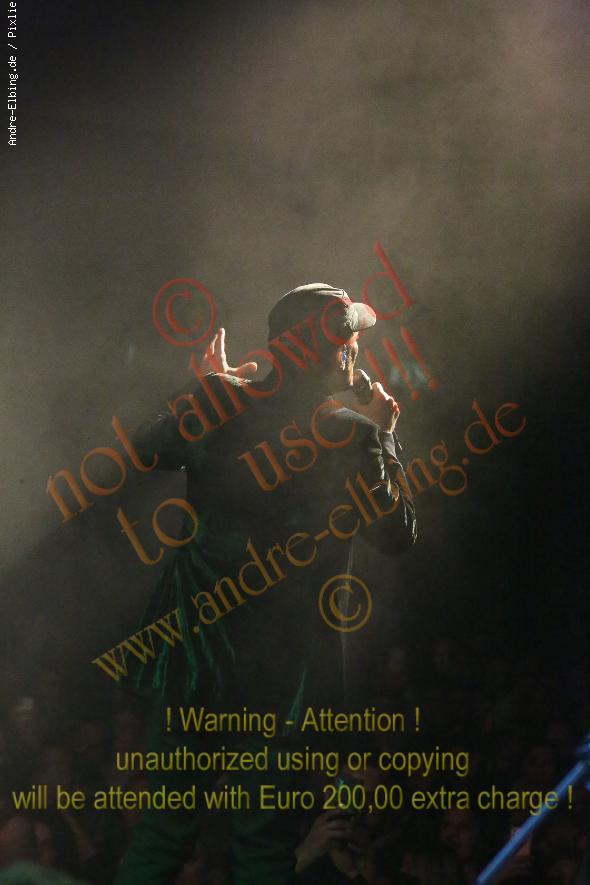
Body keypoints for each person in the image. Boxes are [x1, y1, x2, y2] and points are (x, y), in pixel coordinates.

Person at [114, 284, 418, 885]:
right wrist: (386, 435)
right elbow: (396, 534)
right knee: (263, 843)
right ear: (332, 349)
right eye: (351, 339)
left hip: (195, 658)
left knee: (162, 833)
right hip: (279, 677)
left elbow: (141, 449)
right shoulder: (351, 434)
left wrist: (212, 387)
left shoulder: (222, 406)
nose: (357, 350)